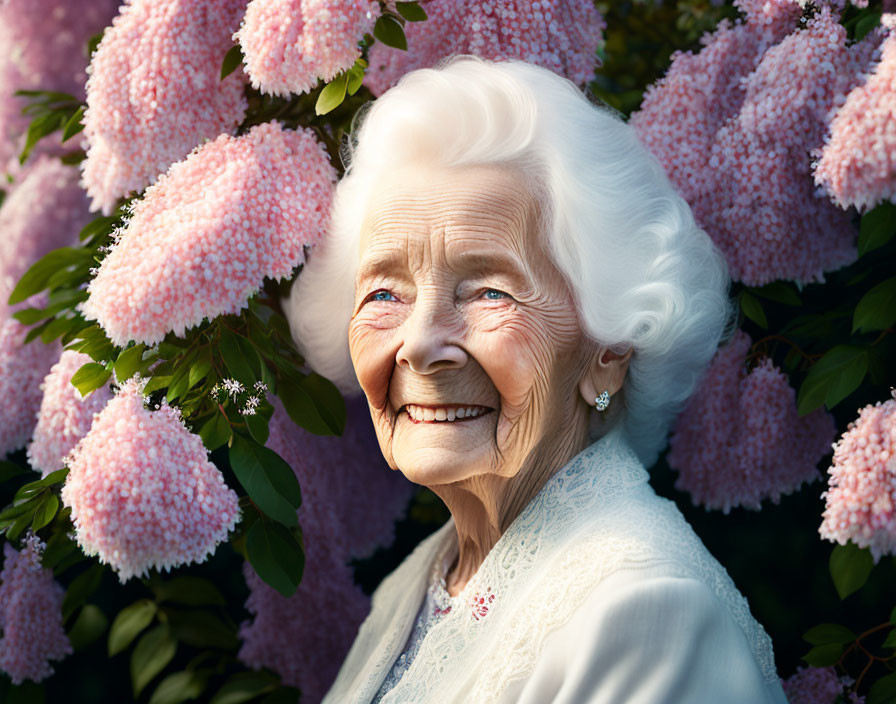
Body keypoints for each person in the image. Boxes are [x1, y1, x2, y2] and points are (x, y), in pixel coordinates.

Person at [283, 55, 790, 703]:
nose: (420, 344)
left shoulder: (650, 615)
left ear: (609, 348)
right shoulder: (422, 583)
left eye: (489, 291)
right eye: (386, 292)